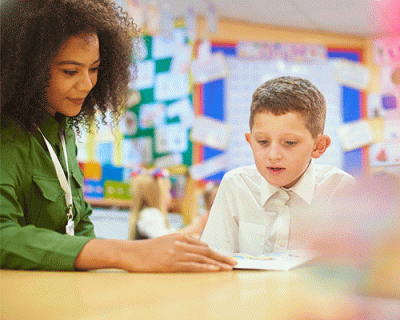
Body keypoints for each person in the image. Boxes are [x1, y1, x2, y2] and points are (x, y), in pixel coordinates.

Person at [0, 0, 236, 272]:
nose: (87, 84)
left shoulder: (63, 134)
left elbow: (79, 228)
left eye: (95, 68)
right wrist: (123, 252)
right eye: (70, 71)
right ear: (29, 69)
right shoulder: (9, 137)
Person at [201, 76, 356, 255]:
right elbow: (213, 262)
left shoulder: (339, 189)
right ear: (250, 141)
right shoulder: (235, 185)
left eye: (289, 142)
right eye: (263, 141)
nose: (273, 155)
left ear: (319, 146)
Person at [128, 168, 208, 240]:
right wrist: (197, 226)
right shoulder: (150, 214)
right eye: (168, 191)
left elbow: (171, 233)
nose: (170, 196)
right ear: (158, 195)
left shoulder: (150, 214)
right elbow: (166, 240)